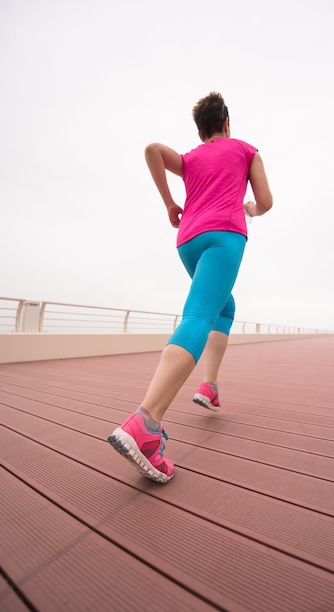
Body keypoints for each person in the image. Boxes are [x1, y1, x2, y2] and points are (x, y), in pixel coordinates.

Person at [108, 91, 273, 483]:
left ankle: (209, 386)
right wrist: (250, 208)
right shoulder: (246, 150)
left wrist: (169, 203)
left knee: (223, 307)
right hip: (223, 237)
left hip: (188, 240)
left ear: (200, 132)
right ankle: (145, 424)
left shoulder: (191, 158)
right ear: (227, 123)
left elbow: (152, 150)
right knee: (199, 313)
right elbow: (265, 200)